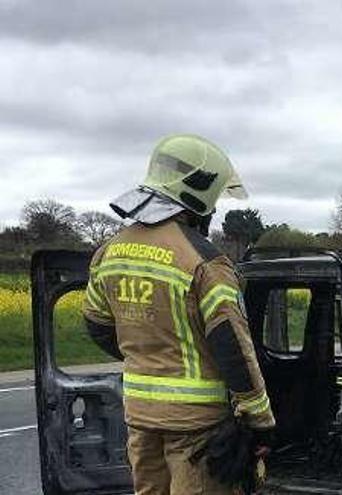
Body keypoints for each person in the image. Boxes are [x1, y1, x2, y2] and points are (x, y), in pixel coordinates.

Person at [82, 134, 275, 495]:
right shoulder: (204, 262)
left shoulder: (109, 252)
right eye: (213, 200)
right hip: (197, 427)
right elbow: (232, 347)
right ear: (197, 193)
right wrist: (259, 419)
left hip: (140, 418)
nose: (213, 209)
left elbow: (97, 325)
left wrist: (150, 356)